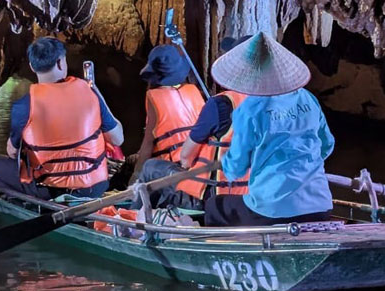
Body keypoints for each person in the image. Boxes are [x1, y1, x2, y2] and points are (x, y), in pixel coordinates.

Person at [201, 31, 336, 227]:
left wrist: (226, 164)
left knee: (215, 206)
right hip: (319, 205)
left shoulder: (250, 109)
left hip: (272, 208)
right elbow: (327, 145)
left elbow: (237, 166)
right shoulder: (307, 98)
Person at [0, 37, 123, 199]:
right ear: (60, 63)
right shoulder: (89, 93)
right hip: (94, 187)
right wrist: (97, 95)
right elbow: (117, 139)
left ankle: (20, 200)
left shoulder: (24, 106)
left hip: (50, 190)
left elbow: (12, 152)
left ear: (32, 67)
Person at [176, 35, 252, 203]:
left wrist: (185, 165)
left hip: (217, 196)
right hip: (257, 195)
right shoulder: (276, 104)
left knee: (153, 169)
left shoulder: (221, 104)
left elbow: (186, 157)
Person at [129, 44, 205, 204]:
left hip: (173, 172)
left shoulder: (154, 97)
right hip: (198, 171)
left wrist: (134, 177)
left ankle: (132, 212)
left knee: (147, 167)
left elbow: (148, 144)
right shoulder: (194, 91)